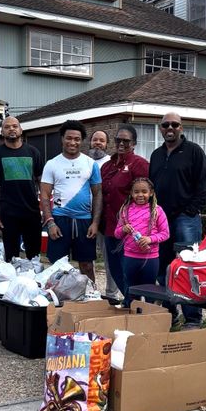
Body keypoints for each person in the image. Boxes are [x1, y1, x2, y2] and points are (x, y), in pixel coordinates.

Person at [149, 112, 206, 329]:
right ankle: (170, 312)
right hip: (161, 220)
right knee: (162, 268)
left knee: (188, 267)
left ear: (181, 128)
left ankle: (193, 318)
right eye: (165, 124)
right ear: (160, 128)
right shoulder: (156, 155)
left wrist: (193, 210)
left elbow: (204, 183)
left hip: (186, 218)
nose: (170, 128)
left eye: (174, 124)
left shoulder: (193, 151)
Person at [40, 120, 102, 282]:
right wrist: (50, 223)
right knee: (57, 266)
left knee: (87, 265)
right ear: (62, 139)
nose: (72, 142)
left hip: (84, 221)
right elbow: (45, 195)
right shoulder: (52, 164)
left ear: (81, 141)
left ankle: (91, 298)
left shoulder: (91, 164)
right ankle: (58, 301)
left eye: (77, 139)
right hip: (59, 220)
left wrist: (95, 223)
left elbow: (98, 194)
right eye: (69, 138)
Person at [0, 116, 43, 262]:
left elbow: (43, 183)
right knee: (10, 257)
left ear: (21, 130)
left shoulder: (33, 152)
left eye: (15, 126)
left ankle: (33, 283)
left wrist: (44, 209)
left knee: (34, 257)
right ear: (2, 132)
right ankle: (13, 284)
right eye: (7, 127)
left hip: (32, 211)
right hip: (8, 213)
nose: (11, 129)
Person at [101, 124, 149, 295]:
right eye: (118, 140)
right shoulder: (107, 166)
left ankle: (135, 303)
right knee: (114, 269)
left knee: (128, 268)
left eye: (126, 141)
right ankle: (129, 301)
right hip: (109, 226)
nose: (122, 144)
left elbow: (145, 196)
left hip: (129, 227)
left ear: (134, 143)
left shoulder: (139, 164)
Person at [114, 177, 169, 307]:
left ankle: (148, 316)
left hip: (150, 258)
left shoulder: (157, 210)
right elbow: (117, 233)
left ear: (151, 193)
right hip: (130, 257)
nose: (140, 195)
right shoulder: (125, 210)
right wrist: (123, 229)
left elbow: (165, 233)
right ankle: (130, 314)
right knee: (131, 289)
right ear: (131, 193)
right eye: (136, 192)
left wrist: (150, 239)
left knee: (149, 290)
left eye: (144, 192)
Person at [88, 130, 120, 304]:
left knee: (109, 258)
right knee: (87, 257)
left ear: (107, 144)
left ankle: (111, 294)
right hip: (86, 215)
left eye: (101, 140)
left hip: (106, 218)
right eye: (95, 140)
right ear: (90, 142)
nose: (98, 143)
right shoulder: (83, 161)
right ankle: (91, 292)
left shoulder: (110, 163)